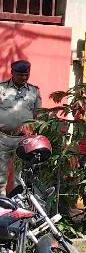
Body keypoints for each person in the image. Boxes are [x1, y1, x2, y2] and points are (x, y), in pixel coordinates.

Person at [0, 59, 40, 191]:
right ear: (12, 73)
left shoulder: (34, 91)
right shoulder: (1, 88)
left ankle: (18, 208)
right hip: (2, 138)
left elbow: (38, 115)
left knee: (20, 177)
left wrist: (32, 132)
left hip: (23, 140)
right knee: (0, 176)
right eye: (20, 75)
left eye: (26, 74)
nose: (24, 77)